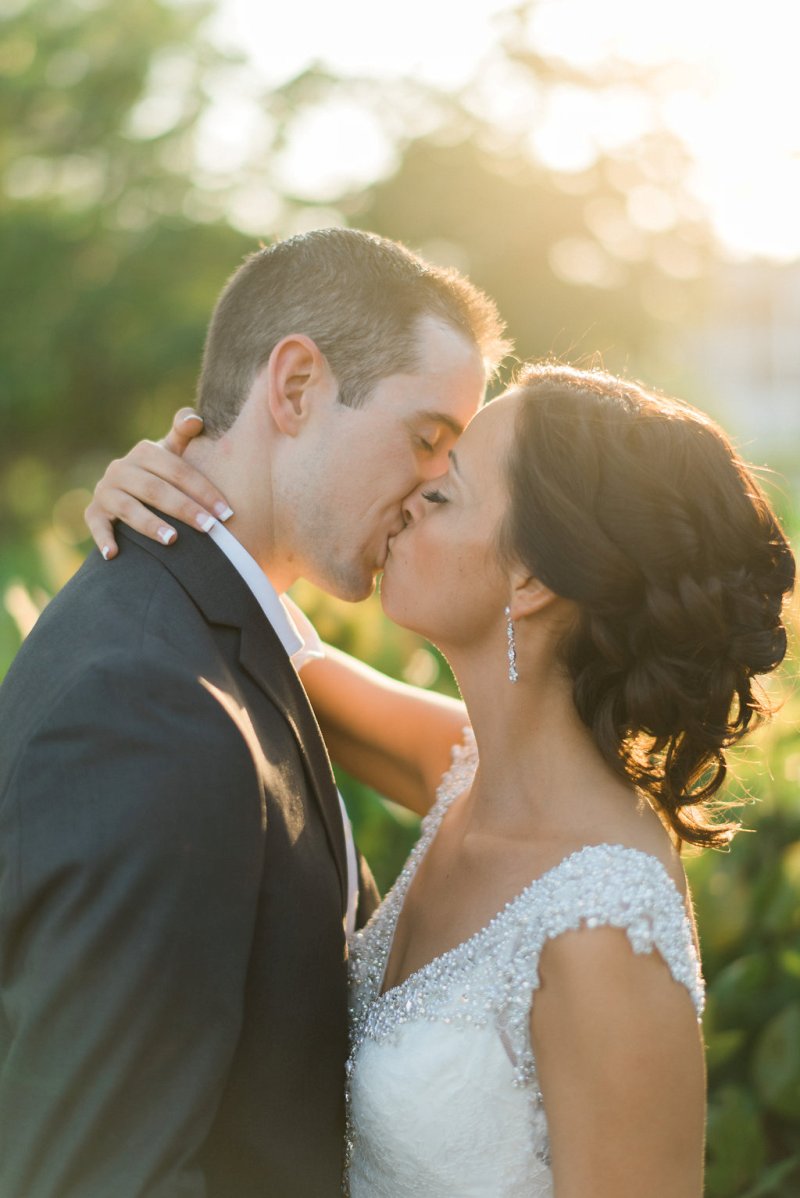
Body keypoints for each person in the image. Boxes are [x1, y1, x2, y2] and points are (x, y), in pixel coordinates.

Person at [86, 362, 795, 1196]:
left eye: (445, 493)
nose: (409, 497)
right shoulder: (464, 771)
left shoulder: (605, 925)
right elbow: (270, 646)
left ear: (532, 581)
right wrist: (157, 496)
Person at [0, 228, 509, 1197]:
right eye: (424, 437)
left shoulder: (214, 640)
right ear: (294, 387)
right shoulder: (147, 706)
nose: (432, 486)